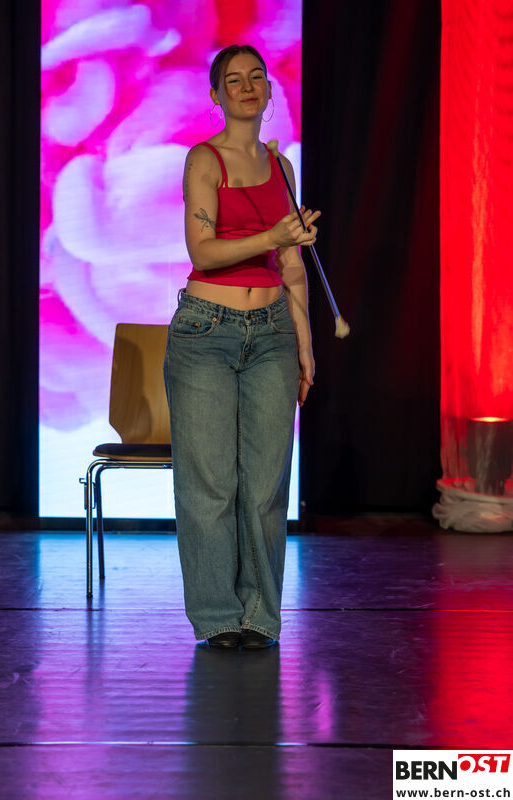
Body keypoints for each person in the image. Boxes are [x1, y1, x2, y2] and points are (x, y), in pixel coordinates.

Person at [164, 44, 320, 649]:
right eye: (234, 79)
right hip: (207, 331)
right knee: (209, 486)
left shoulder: (282, 168)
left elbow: (293, 266)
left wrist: (305, 345)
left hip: (273, 331)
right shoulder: (204, 160)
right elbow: (202, 251)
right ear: (216, 94)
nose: (248, 86)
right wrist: (271, 235)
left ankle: (258, 615)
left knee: (264, 487)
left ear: (270, 92)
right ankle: (217, 617)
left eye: (257, 76)